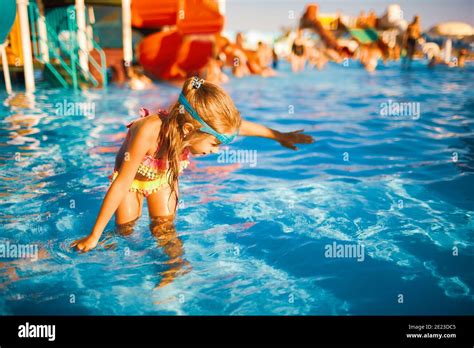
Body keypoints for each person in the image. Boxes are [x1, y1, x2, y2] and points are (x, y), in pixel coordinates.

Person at [71, 77, 314, 252]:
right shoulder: (147, 132)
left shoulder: (191, 128)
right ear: (189, 130)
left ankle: (174, 270)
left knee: (164, 231)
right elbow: (122, 183)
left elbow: (244, 128)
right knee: (125, 230)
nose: (215, 150)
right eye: (215, 144)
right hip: (131, 182)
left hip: (163, 179)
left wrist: (281, 136)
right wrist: (94, 235)